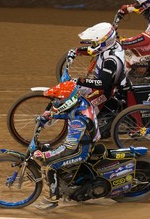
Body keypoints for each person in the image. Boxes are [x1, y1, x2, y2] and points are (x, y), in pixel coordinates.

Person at [33, 80, 101, 210]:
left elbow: (69, 147)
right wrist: (53, 115)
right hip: (84, 141)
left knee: (50, 166)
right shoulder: (80, 102)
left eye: (58, 100)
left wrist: (45, 155)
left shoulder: (79, 122)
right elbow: (71, 114)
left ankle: (51, 200)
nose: (55, 102)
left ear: (68, 101)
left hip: (81, 150)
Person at [67, 22, 126, 113]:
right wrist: (76, 51)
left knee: (80, 113)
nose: (93, 45)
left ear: (104, 42)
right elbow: (94, 50)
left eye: (95, 43)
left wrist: (80, 80)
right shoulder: (112, 45)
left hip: (107, 93)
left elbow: (101, 83)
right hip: (106, 84)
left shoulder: (110, 60)